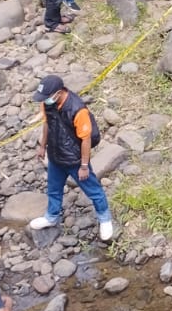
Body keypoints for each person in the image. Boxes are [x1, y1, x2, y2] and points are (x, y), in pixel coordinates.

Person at [27, 75, 115, 241]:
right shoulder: (47, 103)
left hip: (74, 159)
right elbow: (47, 124)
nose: (44, 101)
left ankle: (105, 220)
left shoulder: (77, 109)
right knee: (53, 189)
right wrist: (42, 146)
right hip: (55, 156)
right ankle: (51, 217)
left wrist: (83, 165)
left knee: (94, 191)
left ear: (58, 93)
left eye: (46, 98)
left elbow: (86, 139)